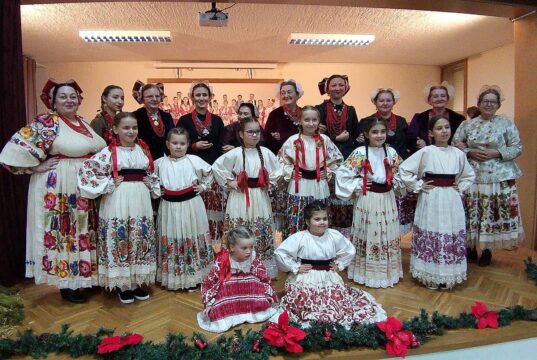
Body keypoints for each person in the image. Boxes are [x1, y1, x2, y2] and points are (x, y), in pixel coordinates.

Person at [0, 80, 106, 303]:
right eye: (63, 96)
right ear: (53, 102)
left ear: (79, 100)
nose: (69, 100)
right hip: (61, 187)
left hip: (85, 187)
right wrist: (34, 167)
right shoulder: (47, 123)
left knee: (84, 231)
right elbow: (11, 153)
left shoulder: (83, 122)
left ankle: (84, 277)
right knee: (67, 232)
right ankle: (67, 283)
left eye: (73, 96)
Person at [78, 112, 160, 304]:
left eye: (134, 128)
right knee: (121, 234)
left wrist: (150, 182)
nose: (131, 131)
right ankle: (123, 285)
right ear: (115, 129)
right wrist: (107, 183)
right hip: (118, 198)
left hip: (140, 198)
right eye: (126, 127)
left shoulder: (142, 150)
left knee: (139, 235)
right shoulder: (108, 152)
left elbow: (151, 172)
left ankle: (136, 281)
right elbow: (87, 170)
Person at [274, 201, 387, 329]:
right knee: (305, 303)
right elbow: (280, 253)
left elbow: (349, 250)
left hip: (329, 275)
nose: (322, 222)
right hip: (306, 277)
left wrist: (339, 264)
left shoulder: (334, 235)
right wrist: (295, 267)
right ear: (307, 222)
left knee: (335, 302)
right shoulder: (300, 237)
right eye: (317, 219)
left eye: (325, 219)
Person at [396, 115, 475, 289]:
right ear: (431, 133)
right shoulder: (426, 152)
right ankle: (429, 274)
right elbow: (404, 169)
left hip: (451, 199)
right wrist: (418, 185)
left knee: (449, 231)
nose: (444, 131)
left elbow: (469, 175)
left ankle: (448, 275)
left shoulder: (458, 153)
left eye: (446, 127)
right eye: (439, 128)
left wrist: (460, 187)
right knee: (431, 230)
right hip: (431, 197)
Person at [453, 85, 523, 267]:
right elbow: (455, 144)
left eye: (493, 101)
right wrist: (469, 151)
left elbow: (517, 147)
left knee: (489, 213)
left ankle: (487, 249)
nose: (489, 105)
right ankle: (469, 246)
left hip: (497, 177)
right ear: (479, 103)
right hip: (472, 176)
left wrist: (496, 153)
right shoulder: (467, 124)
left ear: (498, 104)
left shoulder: (506, 124)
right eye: (485, 101)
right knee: (472, 210)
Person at [336, 117, 403, 288]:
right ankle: (365, 271)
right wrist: (359, 183)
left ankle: (385, 272)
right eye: (374, 132)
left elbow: (403, 173)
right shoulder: (360, 153)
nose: (379, 135)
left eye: (382, 132)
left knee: (386, 232)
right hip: (368, 199)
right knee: (369, 231)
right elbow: (342, 174)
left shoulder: (391, 152)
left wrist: (397, 181)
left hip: (387, 199)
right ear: (366, 134)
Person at [212, 117, 282, 278]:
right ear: (241, 134)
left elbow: (278, 170)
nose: (255, 135)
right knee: (239, 228)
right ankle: (236, 269)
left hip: (259, 196)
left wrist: (269, 183)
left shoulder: (265, 153)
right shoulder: (235, 153)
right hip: (240, 196)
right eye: (250, 132)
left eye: (257, 131)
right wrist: (231, 182)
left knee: (260, 228)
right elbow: (217, 167)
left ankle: (260, 268)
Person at [154, 127, 214, 290]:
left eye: (182, 143)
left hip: (191, 207)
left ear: (188, 144)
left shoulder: (194, 160)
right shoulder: (159, 163)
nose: (178, 147)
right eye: (174, 143)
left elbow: (211, 173)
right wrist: (156, 191)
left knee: (190, 235)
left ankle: (194, 275)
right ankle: (174, 276)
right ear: (168, 144)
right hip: (169, 208)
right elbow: (152, 181)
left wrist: (203, 186)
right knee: (172, 235)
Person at [198, 226, 278, 333]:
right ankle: (228, 315)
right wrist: (209, 301)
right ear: (232, 247)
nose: (249, 251)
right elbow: (210, 280)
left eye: (251, 247)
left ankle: (252, 312)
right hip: (229, 293)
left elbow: (263, 276)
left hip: (249, 292)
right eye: (244, 248)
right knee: (226, 285)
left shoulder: (253, 259)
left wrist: (267, 293)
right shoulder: (223, 260)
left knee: (253, 281)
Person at [279, 106, 343, 237]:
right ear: (300, 121)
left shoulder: (325, 140)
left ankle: (319, 252)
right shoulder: (292, 141)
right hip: (299, 184)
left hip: (319, 184)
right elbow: (279, 161)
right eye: (307, 119)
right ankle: (296, 251)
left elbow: (338, 160)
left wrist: (329, 171)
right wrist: (290, 171)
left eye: (314, 120)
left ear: (319, 121)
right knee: (297, 218)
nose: (311, 123)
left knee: (319, 219)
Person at [178, 81, 226, 242]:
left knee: (213, 211)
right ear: (192, 97)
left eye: (205, 95)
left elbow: (221, 143)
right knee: (194, 210)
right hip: (192, 171)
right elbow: (177, 144)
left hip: (212, 171)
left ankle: (213, 244)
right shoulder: (184, 120)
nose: (201, 98)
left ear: (210, 97)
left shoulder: (218, 120)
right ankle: (194, 242)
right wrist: (194, 145)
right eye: (198, 95)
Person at [316, 75, 360, 237]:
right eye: (333, 85)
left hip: (347, 159)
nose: (337, 88)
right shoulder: (319, 109)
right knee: (327, 199)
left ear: (346, 88)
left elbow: (355, 135)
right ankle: (324, 233)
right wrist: (336, 138)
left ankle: (342, 237)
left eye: (341, 85)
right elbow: (315, 135)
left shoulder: (351, 110)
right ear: (327, 88)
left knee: (344, 200)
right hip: (326, 160)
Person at [407, 81, 465, 155]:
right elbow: (409, 138)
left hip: (451, 157)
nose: (439, 99)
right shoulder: (419, 118)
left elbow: (465, 140)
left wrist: (462, 145)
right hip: (426, 157)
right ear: (429, 100)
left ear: (448, 99)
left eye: (443, 96)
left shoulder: (458, 118)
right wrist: (417, 142)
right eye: (435, 96)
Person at [361, 87, 409, 159]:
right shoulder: (366, 121)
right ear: (375, 102)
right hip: (373, 159)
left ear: (394, 102)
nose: (385, 103)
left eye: (389, 100)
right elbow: (361, 143)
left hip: (399, 160)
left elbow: (406, 143)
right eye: (381, 101)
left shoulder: (401, 121)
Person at [132, 81, 173, 160]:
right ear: (142, 98)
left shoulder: (167, 116)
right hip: (144, 160)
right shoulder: (135, 116)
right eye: (150, 96)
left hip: (167, 160)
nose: (154, 99)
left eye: (157, 96)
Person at [263, 79, 303, 155]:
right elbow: (265, 136)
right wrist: (273, 137)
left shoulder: (304, 113)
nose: (286, 95)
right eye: (283, 93)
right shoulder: (274, 114)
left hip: (302, 154)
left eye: (289, 92)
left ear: (297, 95)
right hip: (281, 156)